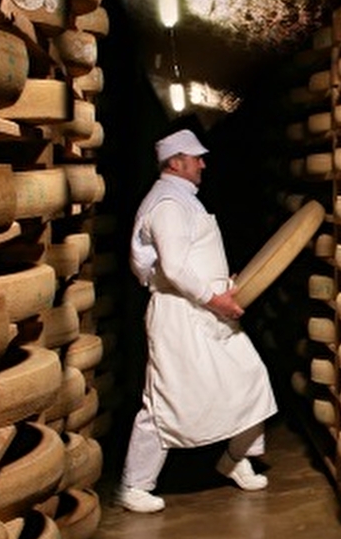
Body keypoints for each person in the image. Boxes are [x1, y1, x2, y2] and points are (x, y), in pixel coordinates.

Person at [116, 129, 278, 513]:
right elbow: (172, 267)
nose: (203, 163)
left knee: (251, 379)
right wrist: (213, 297)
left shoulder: (184, 200)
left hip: (206, 312)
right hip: (180, 315)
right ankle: (134, 485)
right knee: (165, 398)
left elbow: (195, 257)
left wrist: (224, 285)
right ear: (176, 162)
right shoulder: (167, 204)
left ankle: (235, 459)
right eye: (196, 157)